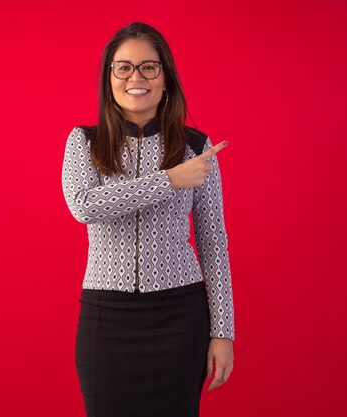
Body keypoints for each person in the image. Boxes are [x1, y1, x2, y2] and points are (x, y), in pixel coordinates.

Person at [61, 22, 234, 417]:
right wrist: (170, 179)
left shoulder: (195, 147)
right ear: (109, 79)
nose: (135, 78)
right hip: (108, 318)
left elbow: (213, 244)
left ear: (165, 77)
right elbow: (84, 205)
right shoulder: (83, 142)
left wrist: (223, 332)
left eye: (148, 67)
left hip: (180, 316)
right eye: (123, 67)